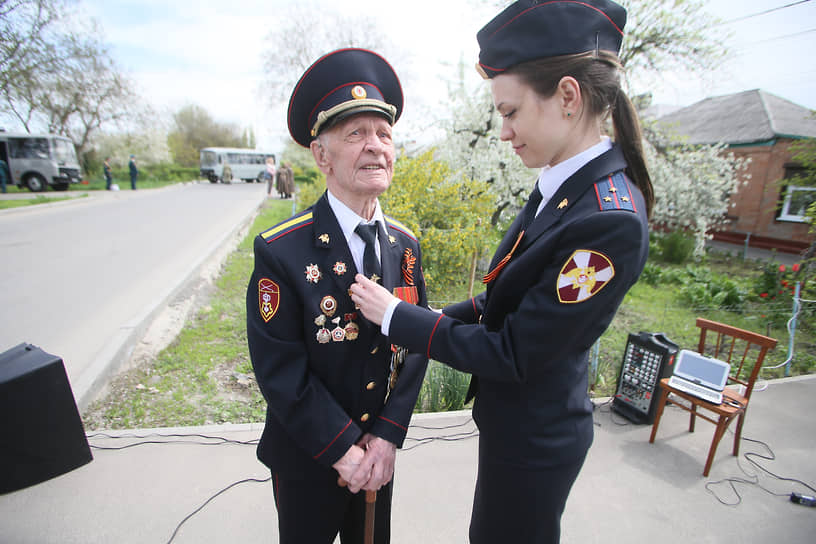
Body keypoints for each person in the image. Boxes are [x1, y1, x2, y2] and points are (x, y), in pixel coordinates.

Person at [350, 2, 653, 542]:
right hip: (515, 424)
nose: (505, 132)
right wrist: (429, 317)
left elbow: (514, 351)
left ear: (567, 97)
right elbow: (504, 299)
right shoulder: (563, 184)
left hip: (536, 440)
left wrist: (399, 317)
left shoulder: (608, 221)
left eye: (511, 112)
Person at [246, 48, 429, 544]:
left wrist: (388, 434)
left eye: (384, 134)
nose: (376, 147)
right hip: (309, 457)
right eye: (356, 134)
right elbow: (279, 368)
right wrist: (345, 450)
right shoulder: (282, 250)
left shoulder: (405, 246)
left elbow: (416, 345)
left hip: (379, 456)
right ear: (321, 156)